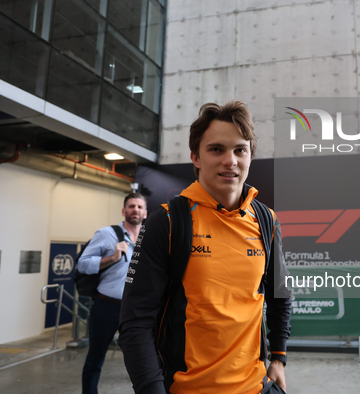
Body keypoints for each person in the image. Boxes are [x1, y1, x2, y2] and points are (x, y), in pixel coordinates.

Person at [119, 101, 292, 394]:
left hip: (256, 386)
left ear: (250, 156)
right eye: (216, 149)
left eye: (240, 149)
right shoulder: (168, 222)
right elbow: (135, 324)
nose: (230, 160)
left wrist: (278, 357)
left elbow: (280, 294)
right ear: (196, 157)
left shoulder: (266, 220)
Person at [77, 193, 147, 394]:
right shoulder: (106, 234)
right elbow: (82, 264)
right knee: (95, 358)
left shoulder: (149, 237)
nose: (135, 210)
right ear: (124, 211)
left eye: (139, 207)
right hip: (107, 307)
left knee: (143, 360)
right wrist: (111, 258)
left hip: (136, 310)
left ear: (145, 213)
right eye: (131, 206)